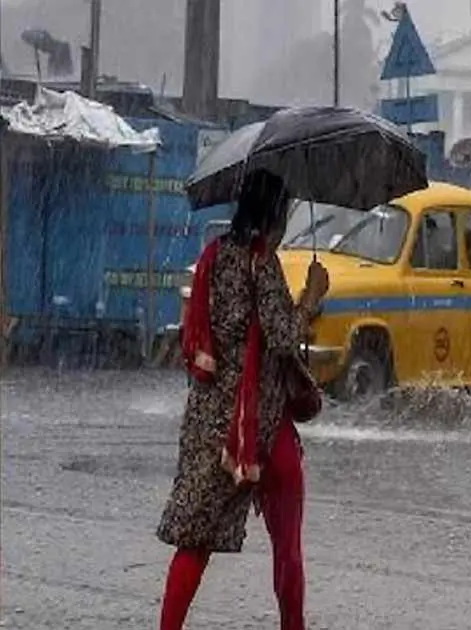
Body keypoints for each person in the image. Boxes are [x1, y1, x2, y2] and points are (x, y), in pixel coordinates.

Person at [157, 170, 329, 630]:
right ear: (275, 212)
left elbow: (216, 333)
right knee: (287, 546)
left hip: (209, 422)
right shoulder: (260, 262)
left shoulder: (213, 256)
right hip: (260, 427)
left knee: (194, 542)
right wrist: (311, 298)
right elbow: (281, 336)